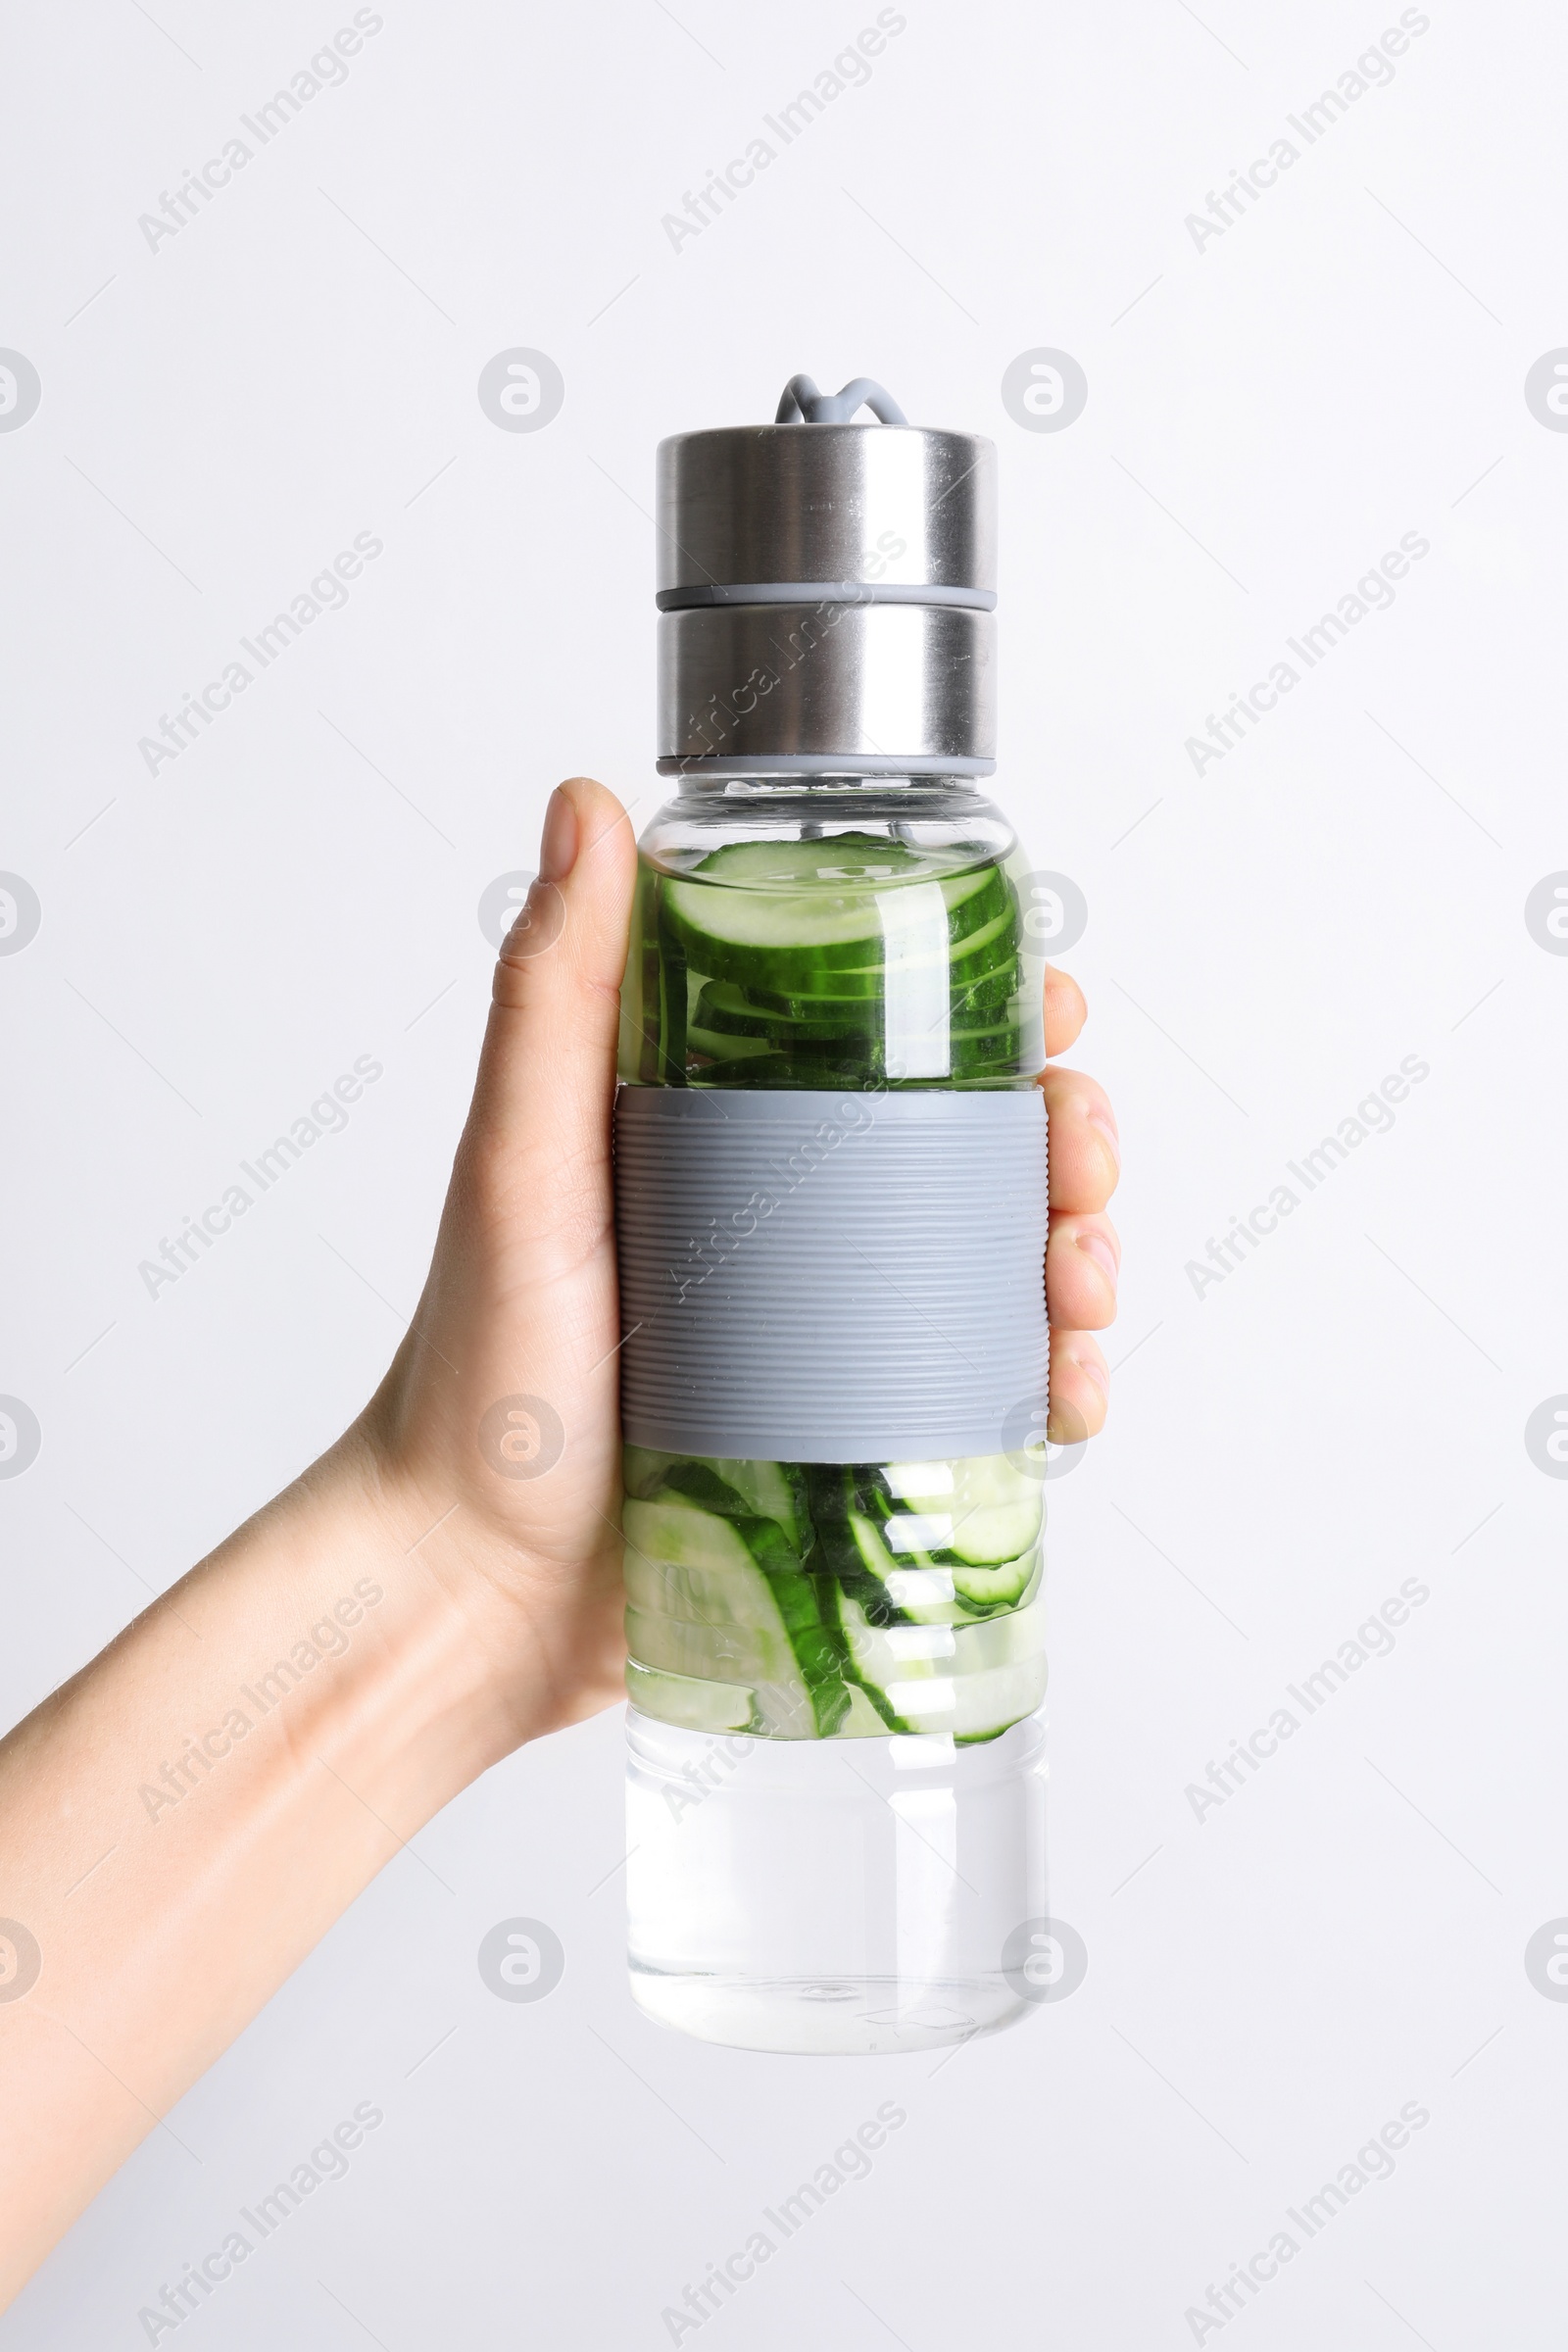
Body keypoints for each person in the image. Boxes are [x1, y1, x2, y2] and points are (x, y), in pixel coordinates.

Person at [0, 777, 1120, 2298]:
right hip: (713, 1723)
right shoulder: (707, 869)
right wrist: (470, 1544)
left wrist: (466, 1564)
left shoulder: (930, 869)